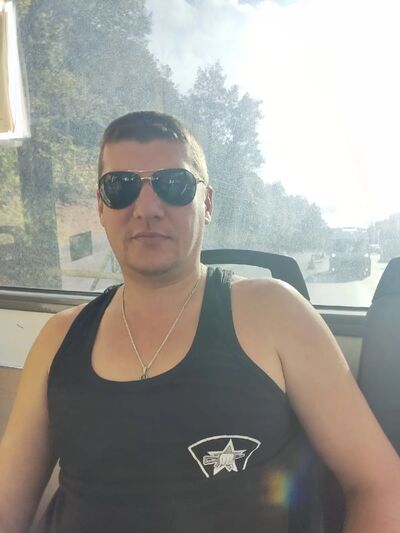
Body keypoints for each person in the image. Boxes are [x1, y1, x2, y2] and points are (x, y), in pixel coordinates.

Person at [0, 111, 399, 533]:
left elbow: (380, 484)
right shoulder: (59, 338)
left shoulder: (275, 312)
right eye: (121, 187)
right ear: (101, 206)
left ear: (206, 203)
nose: (147, 208)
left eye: (174, 184)